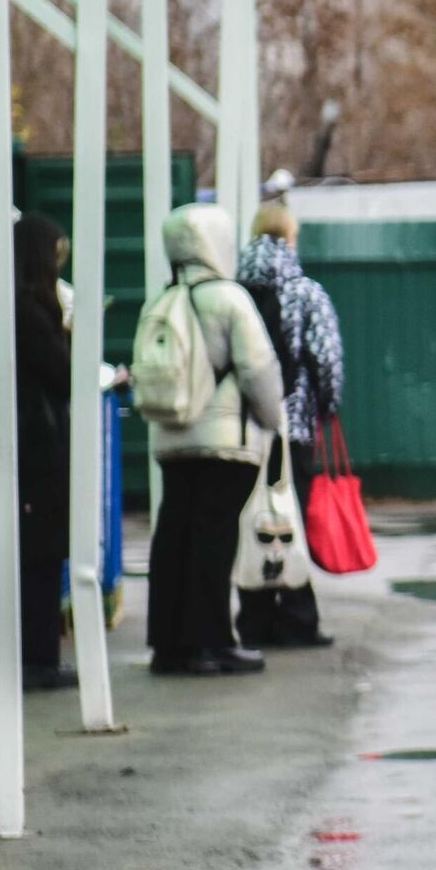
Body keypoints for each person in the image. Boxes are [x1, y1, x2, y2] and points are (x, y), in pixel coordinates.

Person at [144, 204, 285, 676]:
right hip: (226, 441)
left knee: (174, 536)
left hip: (172, 438)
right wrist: (272, 420)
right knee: (214, 539)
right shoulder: (229, 299)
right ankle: (211, 642)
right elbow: (258, 369)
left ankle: (169, 645)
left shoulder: (163, 299)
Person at [0, 213, 77, 692]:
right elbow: (62, 374)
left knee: (16, 554)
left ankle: (19, 654)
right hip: (37, 449)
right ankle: (36, 659)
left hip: (12, 447)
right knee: (41, 558)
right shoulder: (27, 314)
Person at [233, 204, 344, 649]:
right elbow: (326, 358)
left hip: (243, 427)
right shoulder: (305, 292)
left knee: (252, 517)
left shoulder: (236, 291)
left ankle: (254, 619)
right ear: (289, 239)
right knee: (288, 516)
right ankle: (297, 618)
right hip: (292, 426)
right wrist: (328, 407)